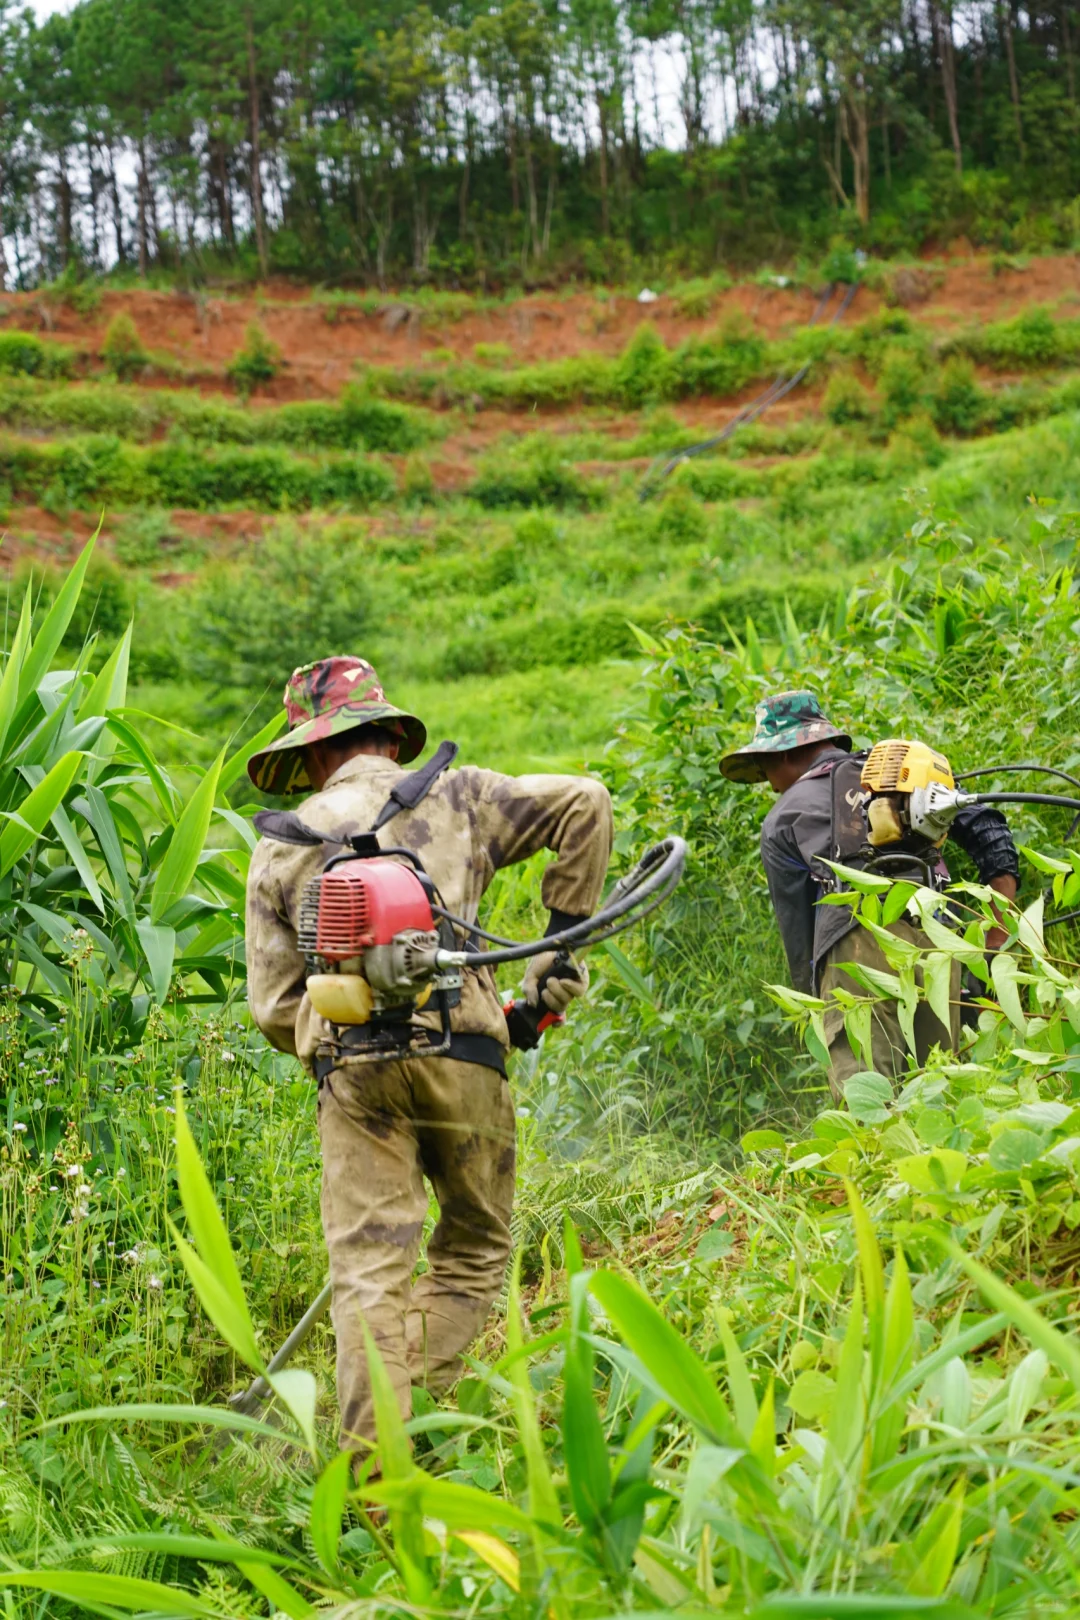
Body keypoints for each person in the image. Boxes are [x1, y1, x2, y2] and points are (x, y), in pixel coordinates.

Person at [244, 656, 613, 1452]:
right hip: (467, 1057)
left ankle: (376, 1467)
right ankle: (400, 1417)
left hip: (352, 1076)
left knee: (371, 1275)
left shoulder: (280, 845)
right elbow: (585, 803)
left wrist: (338, 1026)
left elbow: (275, 1009)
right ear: (388, 735)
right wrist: (554, 953)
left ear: (312, 752)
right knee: (476, 1248)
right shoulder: (462, 793)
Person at [719, 690, 1019, 1098]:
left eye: (764, 768)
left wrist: (814, 1004)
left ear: (784, 754)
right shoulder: (903, 777)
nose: (770, 786)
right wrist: (995, 939)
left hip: (856, 944)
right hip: (937, 939)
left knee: (867, 1095)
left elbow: (798, 927)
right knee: (941, 1090)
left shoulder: (783, 818)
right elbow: (991, 833)